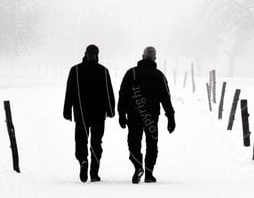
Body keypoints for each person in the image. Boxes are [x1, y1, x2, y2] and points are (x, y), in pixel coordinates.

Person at [118, 46, 175, 183]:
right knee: (152, 144)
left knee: (133, 142)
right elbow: (166, 98)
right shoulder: (159, 75)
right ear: (155, 59)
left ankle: (138, 165)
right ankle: (149, 174)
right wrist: (171, 117)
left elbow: (123, 94)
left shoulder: (131, 73)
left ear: (142, 56)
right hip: (151, 117)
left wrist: (121, 114)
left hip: (134, 115)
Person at [63, 44, 115, 182]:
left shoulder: (75, 70)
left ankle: (83, 161)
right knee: (96, 143)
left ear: (85, 54)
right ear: (97, 55)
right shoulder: (103, 71)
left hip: (81, 113)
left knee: (81, 140)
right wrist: (111, 110)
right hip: (99, 114)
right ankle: (94, 173)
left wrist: (67, 110)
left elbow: (70, 92)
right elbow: (108, 92)